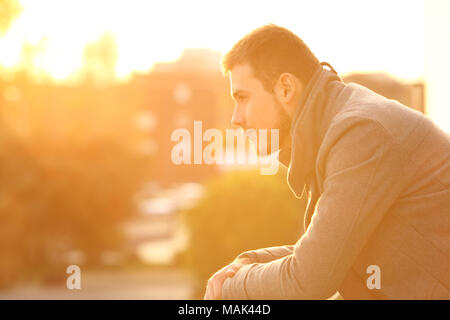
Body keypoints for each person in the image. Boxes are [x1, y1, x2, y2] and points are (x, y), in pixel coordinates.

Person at [204, 24, 450, 300]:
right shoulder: (338, 125)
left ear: (286, 87)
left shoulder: (360, 133)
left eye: (243, 98)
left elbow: (307, 281)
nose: (235, 118)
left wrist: (230, 287)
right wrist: (247, 263)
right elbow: (326, 256)